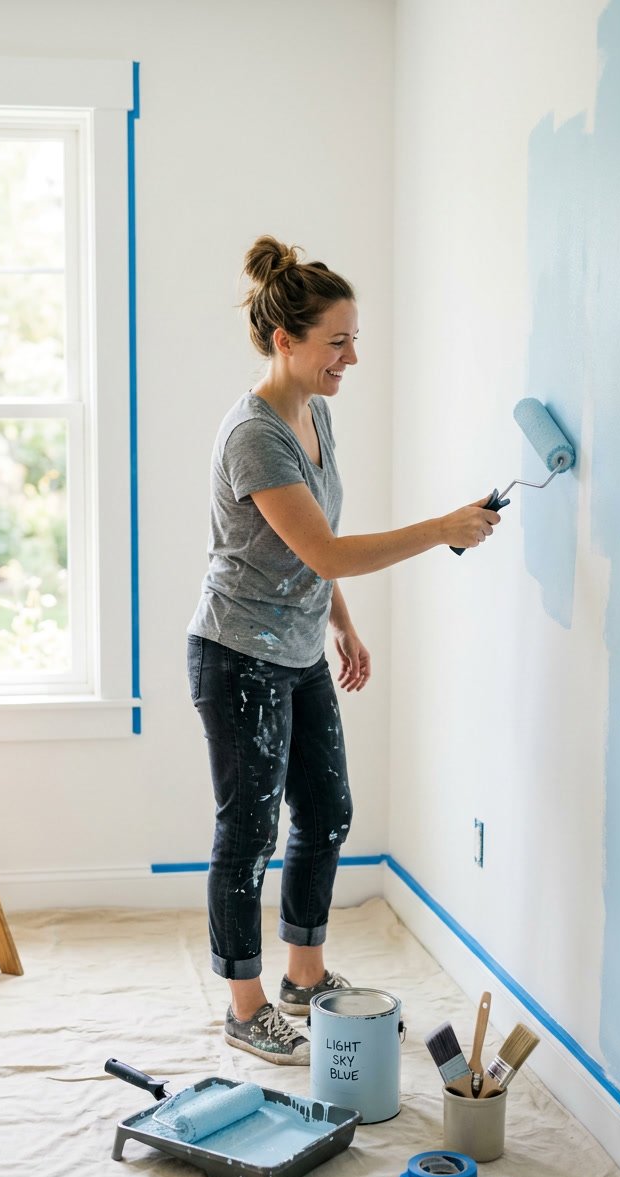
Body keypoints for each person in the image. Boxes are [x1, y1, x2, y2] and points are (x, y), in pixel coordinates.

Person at [187, 235, 500, 1065]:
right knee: (247, 833)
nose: (352, 357)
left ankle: (305, 975)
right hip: (236, 656)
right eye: (337, 341)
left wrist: (341, 622)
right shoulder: (254, 434)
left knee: (326, 812)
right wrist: (440, 530)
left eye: (354, 339)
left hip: (295, 645)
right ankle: (246, 1007)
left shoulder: (315, 411)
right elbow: (326, 550)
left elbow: (310, 550)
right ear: (285, 341)